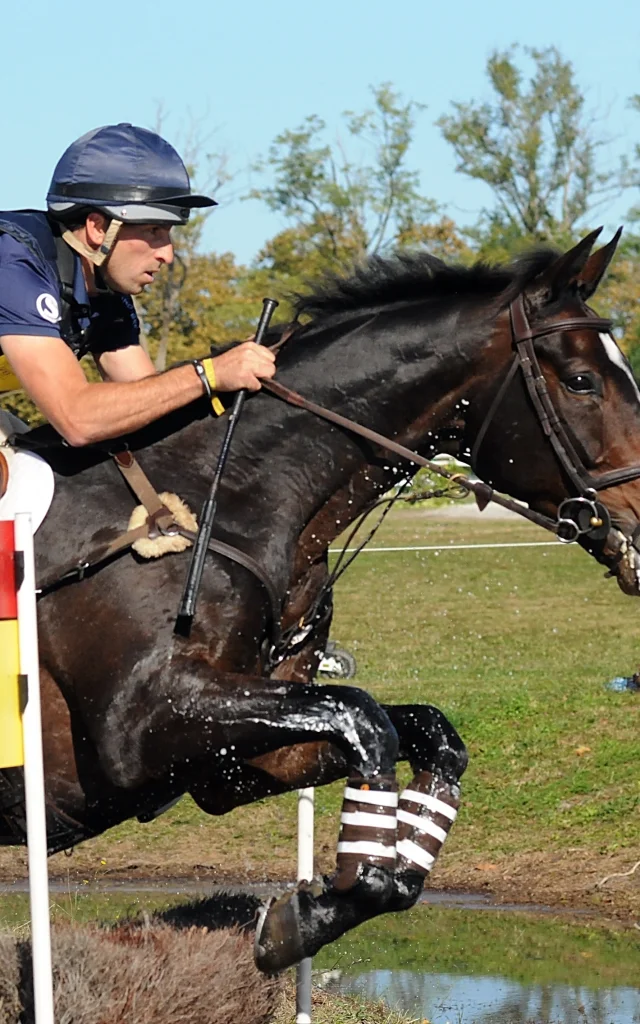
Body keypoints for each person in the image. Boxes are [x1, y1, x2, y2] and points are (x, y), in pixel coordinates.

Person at [0, 123, 276, 446]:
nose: (168, 254)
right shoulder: (15, 263)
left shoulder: (105, 289)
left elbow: (148, 405)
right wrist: (208, 373)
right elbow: (77, 418)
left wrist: (234, 370)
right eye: (154, 232)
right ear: (98, 228)